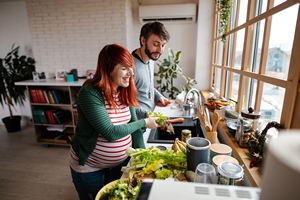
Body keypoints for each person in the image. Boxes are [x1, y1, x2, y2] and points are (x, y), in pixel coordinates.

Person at [69, 44, 159, 200]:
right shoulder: (90, 93)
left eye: (130, 67)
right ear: (109, 69)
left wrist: (144, 158)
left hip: (119, 165)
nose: (130, 73)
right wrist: (144, 122)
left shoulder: (124, 90)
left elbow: (134, 128)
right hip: (90, 168)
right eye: (124, 68)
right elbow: (111, 133)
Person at [132, 21, 171, 120]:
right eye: (156, 44)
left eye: (163, 45)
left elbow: (145, 86)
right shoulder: (129, 66)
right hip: (137, 126)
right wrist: (147, 115)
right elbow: (124, 104)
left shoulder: (151, 59)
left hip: (148, 121)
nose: (160, 50)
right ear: (143, 40)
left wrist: (158, 96)